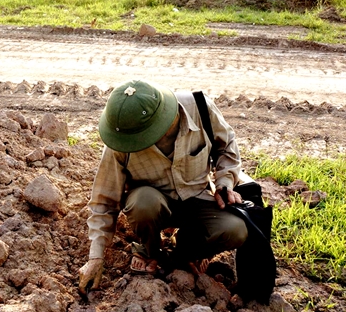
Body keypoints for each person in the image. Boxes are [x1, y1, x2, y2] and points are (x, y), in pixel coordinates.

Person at [78, 79, 248, 294]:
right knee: (143, 202)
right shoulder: (123, 140)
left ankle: (186, 252)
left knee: (236, 229)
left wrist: (225, 182)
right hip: (155, 207)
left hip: (198, 197)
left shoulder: (199, 108)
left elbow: (227, 147)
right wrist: (96, 257)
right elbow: (104, 201)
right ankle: (150, 250)